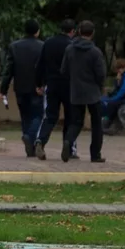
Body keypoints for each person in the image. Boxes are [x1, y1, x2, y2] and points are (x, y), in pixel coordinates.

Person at [61, 19, 107, 162]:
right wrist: (100, 86)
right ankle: (95, 154)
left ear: (79, 32)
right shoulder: (95, 52)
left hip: (75, 91)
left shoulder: (70, 49)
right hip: (93, 91)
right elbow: (101, 74)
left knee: (75, 122)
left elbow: (64, 70)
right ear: (92, 33)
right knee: (96, 124)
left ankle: (68, 141)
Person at [0, 20, 47, 157]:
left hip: (20, 87)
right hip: (37, 88)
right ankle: (29, 136)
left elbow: (8, 70)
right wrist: (43, 84)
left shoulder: (14, 46)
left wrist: (3, 89)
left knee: (25, 116)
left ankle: (30, 147)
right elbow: (44, 68)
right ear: (37, 31)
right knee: (38, 115)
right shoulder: (42, 46)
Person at [33, 19, 75, 159]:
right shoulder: (72, 45)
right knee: (71, 116)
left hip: (52, 83)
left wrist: (39, 83)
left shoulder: (48, 43)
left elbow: (40, 64)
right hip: (69, 85)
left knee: (50, 115)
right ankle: (69, 145)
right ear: (72, 31)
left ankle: (40, 140)